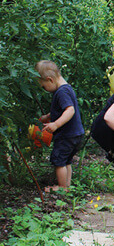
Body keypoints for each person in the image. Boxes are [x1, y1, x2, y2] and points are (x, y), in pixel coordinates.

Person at [35, 60, 85, 192]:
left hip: (66, 135)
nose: (45, 90)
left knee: (58, 160)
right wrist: (49, 116)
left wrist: (56, 124)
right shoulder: (66, 88)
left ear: (50, 80)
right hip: (75, 134)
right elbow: (62, 109)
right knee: (66, 160)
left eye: (44, 86)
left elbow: (69, 110)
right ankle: (66, 186)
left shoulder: (61, 92)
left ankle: (62, 187)